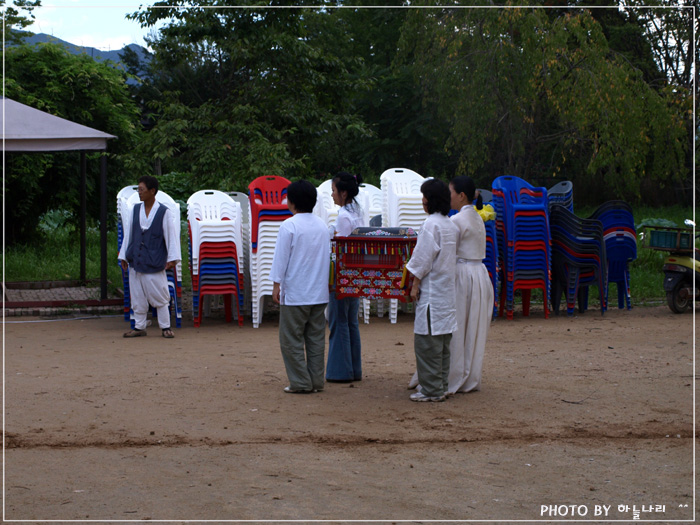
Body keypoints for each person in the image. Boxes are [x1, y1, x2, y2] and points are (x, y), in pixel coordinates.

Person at [271, 180, 330, 394]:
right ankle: (316, 381)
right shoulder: (322, 226)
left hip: (296, 293)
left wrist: (276, 285)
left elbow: (281, 259)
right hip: (319, 293)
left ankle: (300, 382)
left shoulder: (290, 225)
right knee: (315, 339)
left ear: (291, 201)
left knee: (291, 339)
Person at [405, 178, 458, 402]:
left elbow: (423, 258)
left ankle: (431, 389)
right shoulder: (450, 224)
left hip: (433, 293)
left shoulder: (431, 224)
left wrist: (414, 284)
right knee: (443, 346)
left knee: (427, 345)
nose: (423, 201)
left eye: (424, 197)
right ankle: (440, 385)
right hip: (446, 294)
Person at [445, 176, 494, 393]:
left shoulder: (457, 221)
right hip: (479, 275)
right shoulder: (476, 218)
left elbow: (448, 252)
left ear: (461, 195)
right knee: (472, 327)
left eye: (451, 192)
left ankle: (454, 374)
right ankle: (469, 374)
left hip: (464, 275)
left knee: (458, 326)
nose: (449, 197)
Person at [118, 175, 180, 338]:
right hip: (136, 260)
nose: (139, 192)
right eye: (138, 189)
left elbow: (170, 236)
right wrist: (124, 255)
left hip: (154, 260)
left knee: (160, 295)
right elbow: (129, 234)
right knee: (137, 295)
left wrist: (172, 258)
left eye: (142, 189)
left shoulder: (163, 212)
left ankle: (165, 326)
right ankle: (139, 327)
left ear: (152, 191)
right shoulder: (135, 210)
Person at [326, 172, 367, 383]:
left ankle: (340, 371)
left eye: (333, 191)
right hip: (355, 273)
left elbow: (340, 248)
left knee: (339, 321)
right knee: (350, 321)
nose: (332, 195)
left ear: (343, 193)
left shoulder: (343, 215)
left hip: (342, 273)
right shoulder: (358, 212)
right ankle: (353, 369)